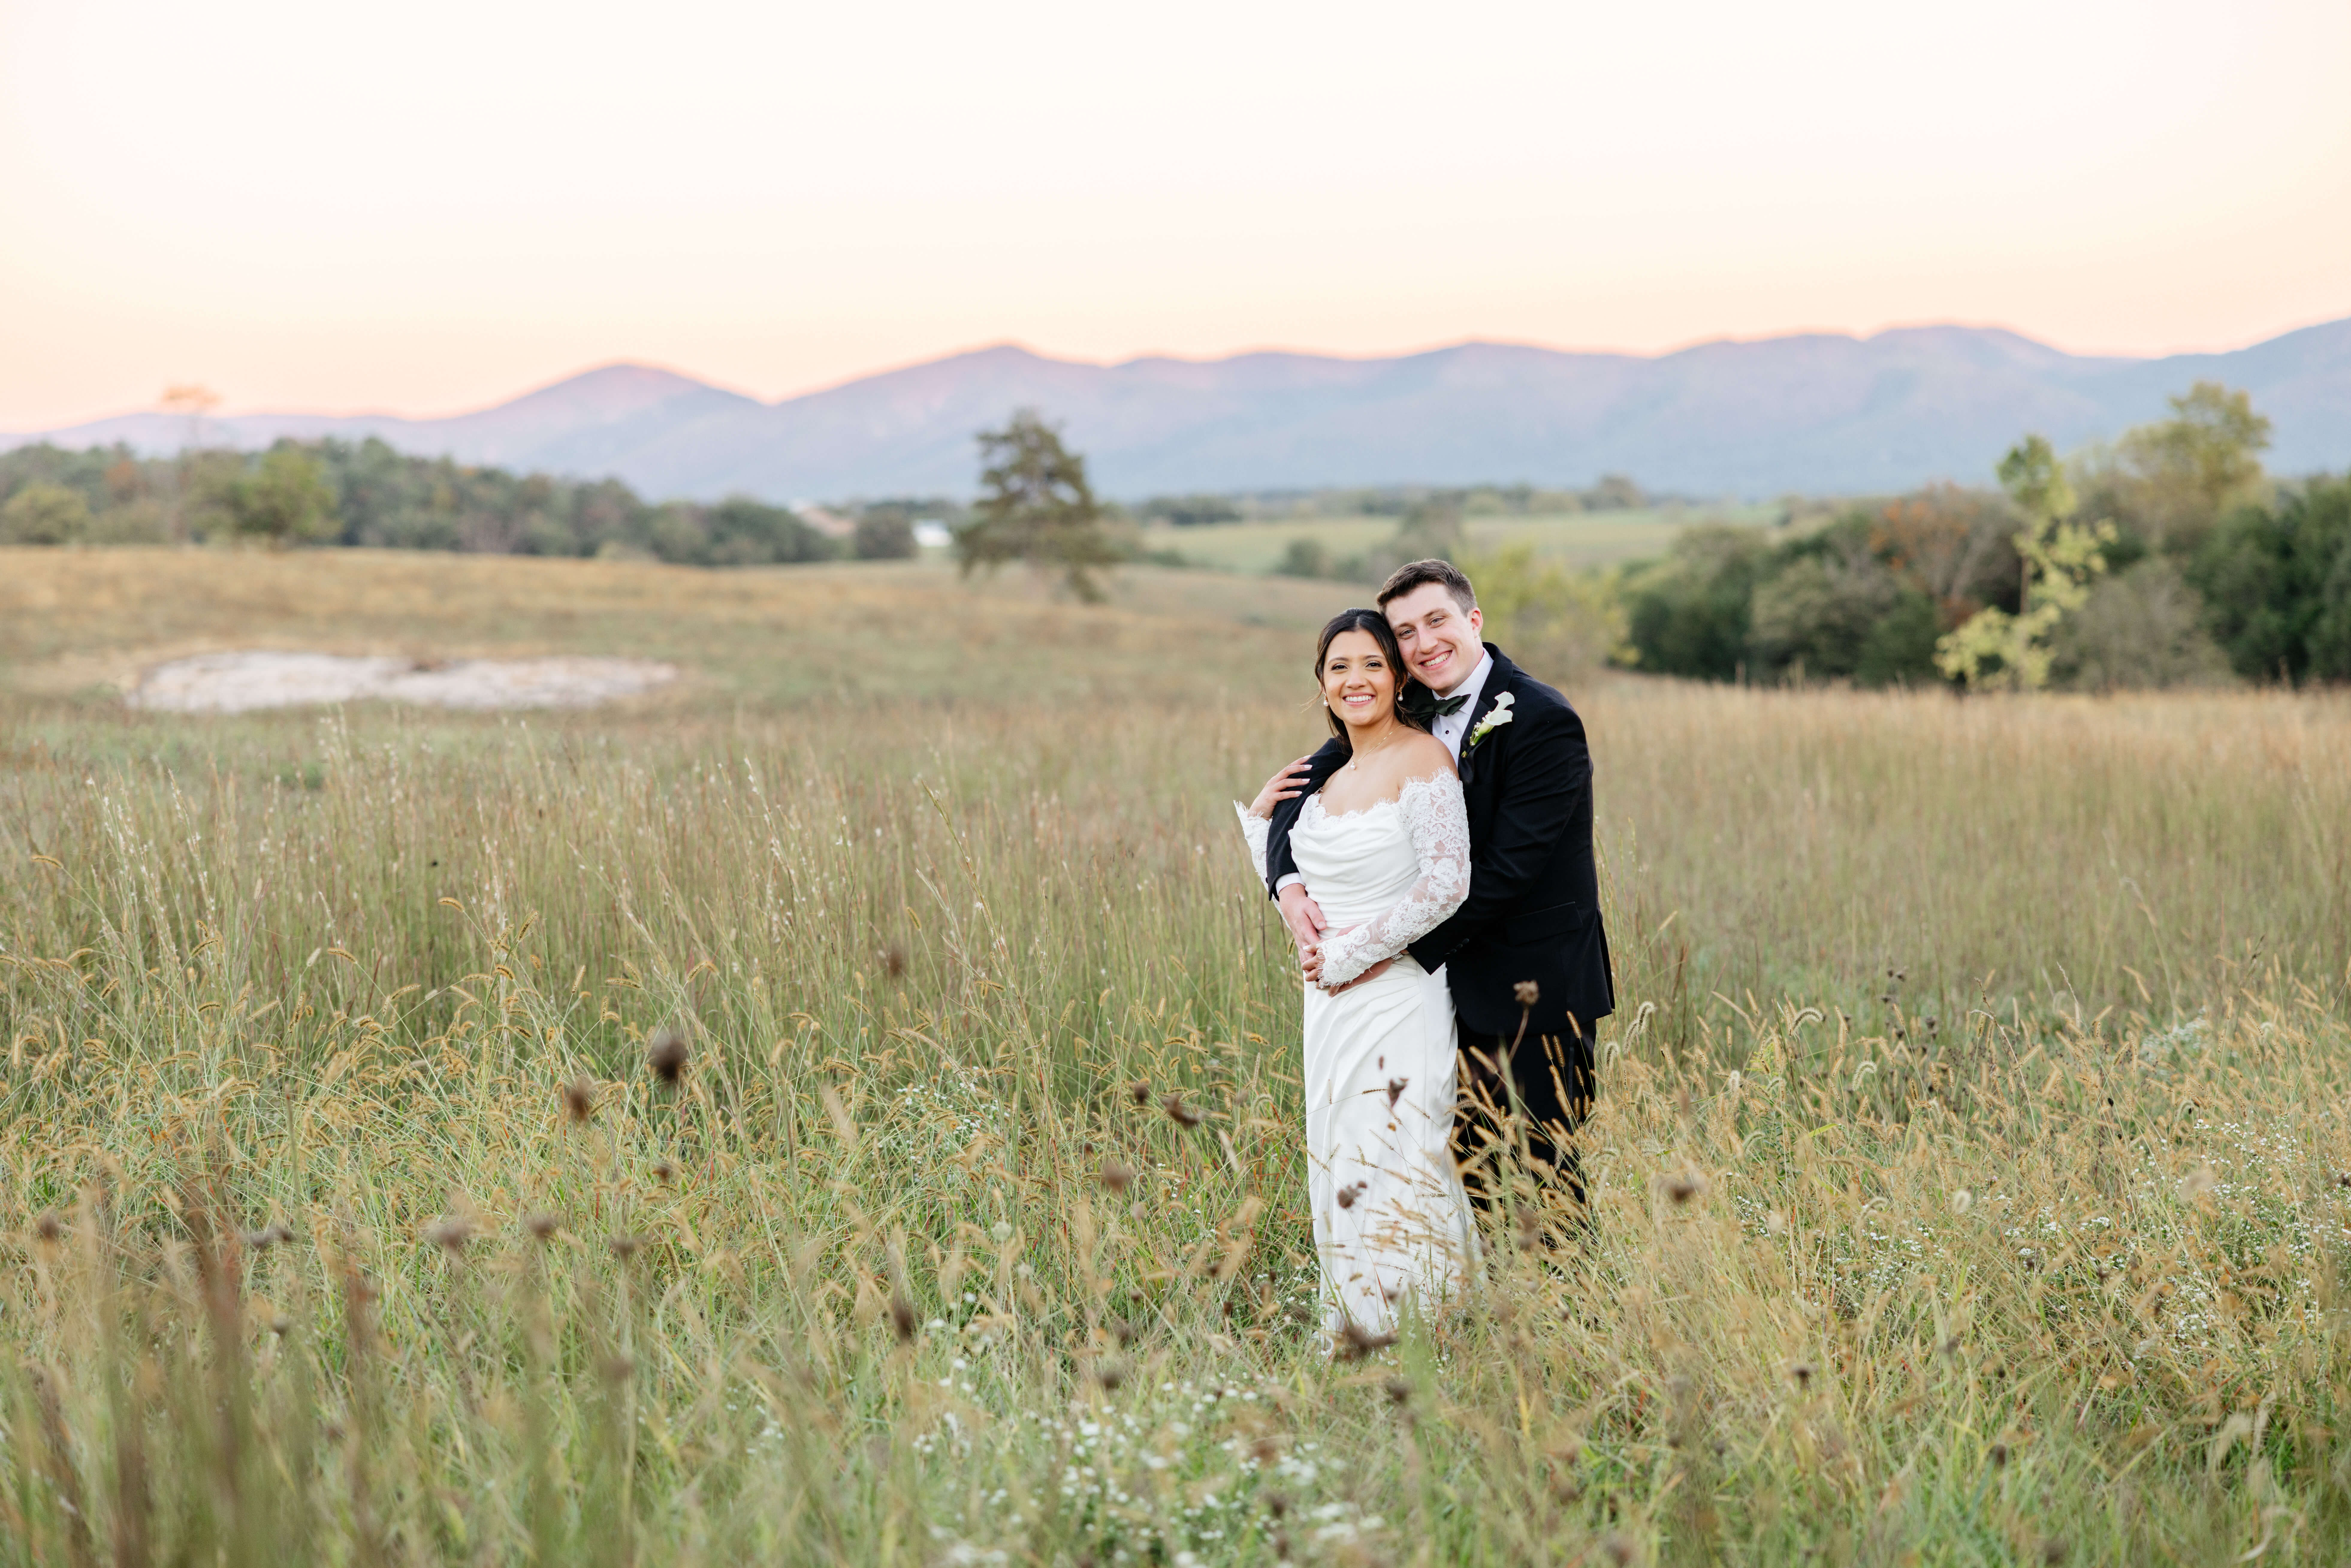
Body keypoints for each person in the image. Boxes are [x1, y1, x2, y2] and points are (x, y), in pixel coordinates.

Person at [1254, 559, 1614, 1226]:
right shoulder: (1405, 705)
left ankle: (1574, 1321)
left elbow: (1508, 871)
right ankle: (1478, 1318)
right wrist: (1284, 878)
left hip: (1528, 984)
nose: (1423, 644)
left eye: (1436, 621)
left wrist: (1378, 951)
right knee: (1454, 1171)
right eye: (1405, 632)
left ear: (1472, 620)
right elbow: (1302, 788)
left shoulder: (1541, 718)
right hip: (1436, 992)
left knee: (1542, 1170)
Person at [1237, 608, 1476, 1340]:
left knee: (1398, 1148)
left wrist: (1348, 955)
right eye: (1338, 668)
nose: (1355, 680)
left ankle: (1421, 1329)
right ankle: (1354, 1322)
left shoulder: (1422, 761)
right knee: (1340, 1151)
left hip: (1396, 995)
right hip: (1329, 1008)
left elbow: (1445, 886)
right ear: (1321, 685)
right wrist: (1265, 838)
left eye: (1371, 664)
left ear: (1398, 676)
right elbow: (1307, 890)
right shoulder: (1324, 775)